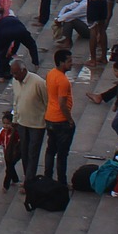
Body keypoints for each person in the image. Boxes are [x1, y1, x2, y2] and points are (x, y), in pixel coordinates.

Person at [43, 49, 76, 183]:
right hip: (61, 120)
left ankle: (47, 178)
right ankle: (62, 181)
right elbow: (62, 104)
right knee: (62, 154)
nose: (71, 64)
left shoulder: (51, 74)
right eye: (69, 61)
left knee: (50, 150)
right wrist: (70, 120)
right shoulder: (63, 81)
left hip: (50, 118)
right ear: (61, 62)